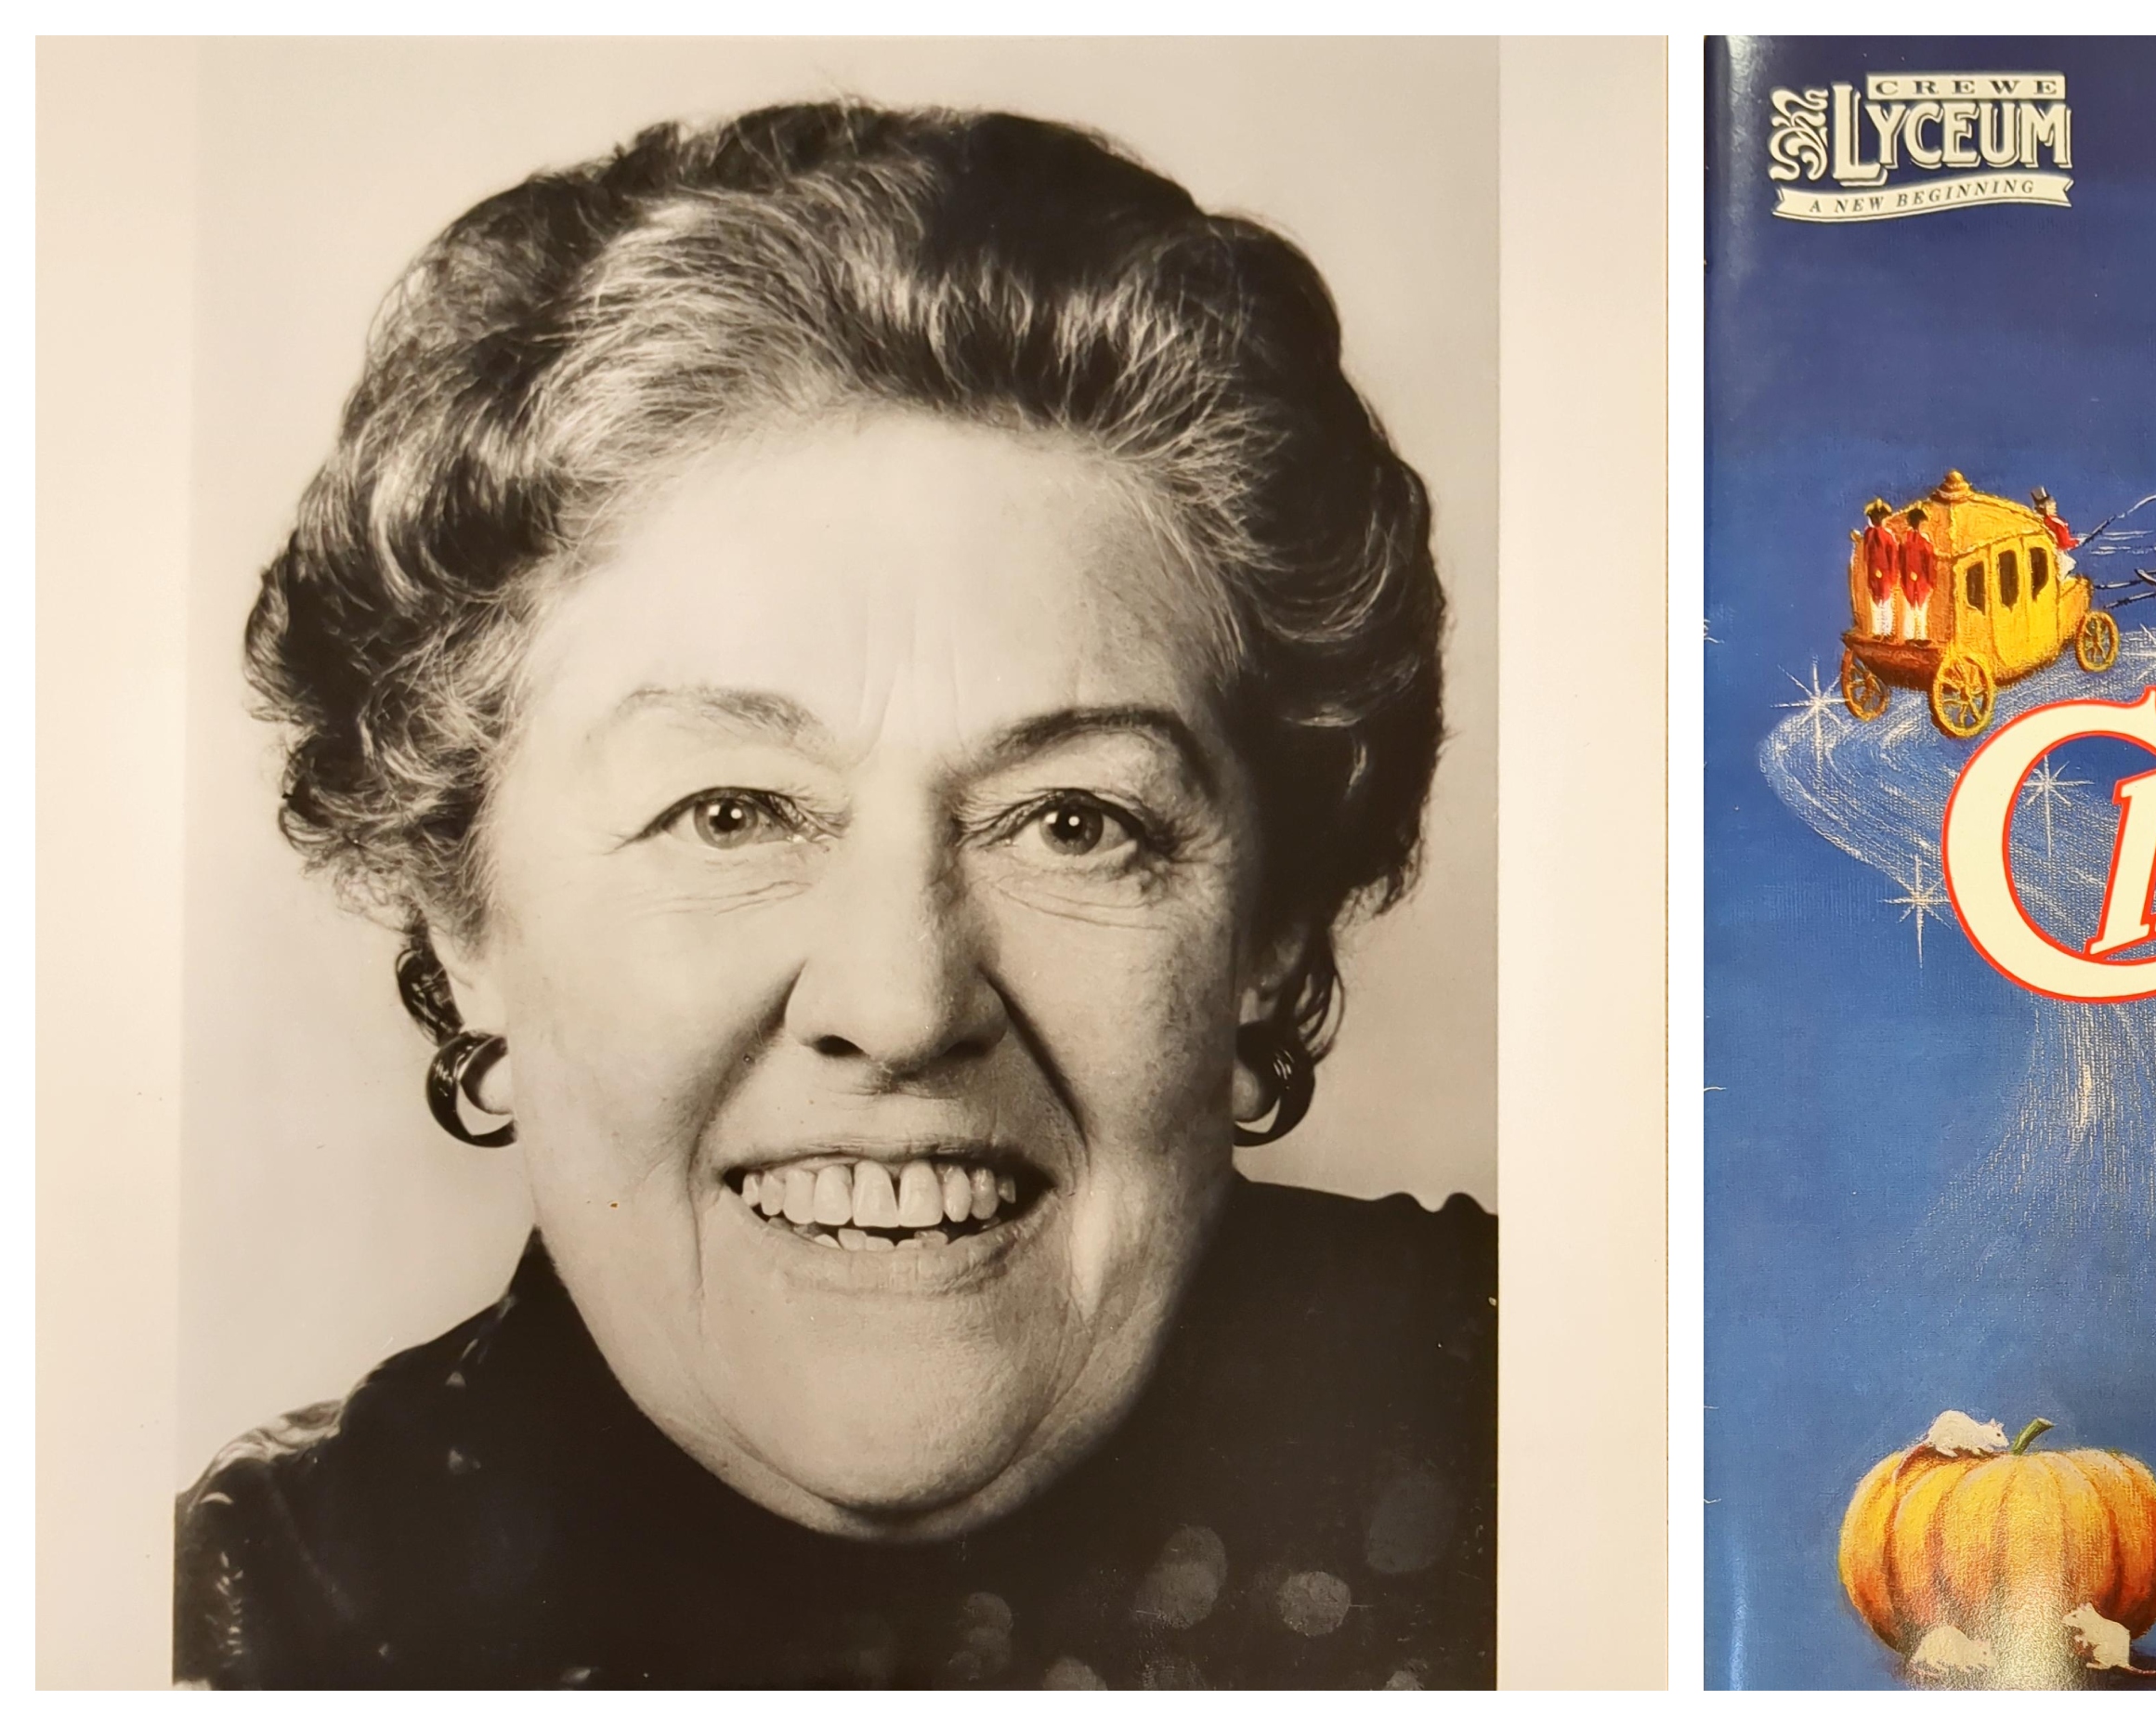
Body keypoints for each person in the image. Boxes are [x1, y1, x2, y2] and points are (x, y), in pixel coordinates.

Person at [176, 101, 1493, 1689]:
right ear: (462, 918)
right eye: (729, 809)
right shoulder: (231, 1631)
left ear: (1266, 941)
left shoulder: (1611, 1430)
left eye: (1071, 819)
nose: (900, 999)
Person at [1857, 498, 1901, 637]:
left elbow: (1893, 557)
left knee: (1885, 602)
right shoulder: (1869, 534)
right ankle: (1878, 631)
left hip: (1885, 574)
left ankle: (1886, 631)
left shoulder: (1887, 536)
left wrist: (1892, 575)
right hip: (1874, 573)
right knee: (1877, 602)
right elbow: (1867, 556)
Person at [1898, 505, 1939, 644]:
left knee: (1920, 608)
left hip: (1920, 580)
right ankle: (1910, 636)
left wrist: (1929, 580)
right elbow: (1903, 561)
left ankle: (1919, 636)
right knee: (1912, 608)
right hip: (1914, 579)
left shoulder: (1918, 540)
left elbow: (1929, 562)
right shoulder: (1910, 541)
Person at [2029, 486, 2080, 580]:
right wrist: (2077, 542)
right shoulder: (2056, 523)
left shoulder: (2033, 521)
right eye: (2050, 504)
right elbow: (2064, 543)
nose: (2054, 505)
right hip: (2056, 560)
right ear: (2043, 507)